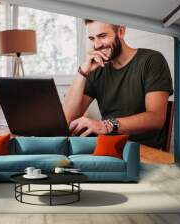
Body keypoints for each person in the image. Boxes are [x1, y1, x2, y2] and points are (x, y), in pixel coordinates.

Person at [63, 19, 173, 149]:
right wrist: (82, 72)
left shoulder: (151, 60)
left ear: (121, 31)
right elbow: (68, 120)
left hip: (143, 151)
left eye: (102, 36)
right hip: (107, 149)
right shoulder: (97, 69)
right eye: (92, 39)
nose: (97, 45)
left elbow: (156, 119)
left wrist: (105, 125)